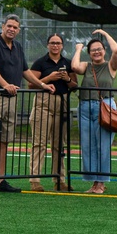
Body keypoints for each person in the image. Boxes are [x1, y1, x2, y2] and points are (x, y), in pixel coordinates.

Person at [0, 15, 55, 195]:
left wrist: (42, 85)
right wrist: (5, 85)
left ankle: (0, 180)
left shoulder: (18, 47)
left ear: (19, 30)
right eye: (9, 26)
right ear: (3, 26)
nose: (12, 29)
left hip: (11, 99)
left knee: (4, 139)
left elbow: (25, 71)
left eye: (15, 27)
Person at [71, 30, 117, 194]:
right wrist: (78, 48)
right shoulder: (87, 66)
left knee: (103, 146)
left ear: (104, 50)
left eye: (99, 49)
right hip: (85, 107)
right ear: (89, 54)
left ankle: (101, 183)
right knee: (88, 146)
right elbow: (74, 67)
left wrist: (105, 34)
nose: (97, 52)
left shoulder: (110, 66)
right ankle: (94, 183)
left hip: (104, 107)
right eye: (93, 50)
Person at [26, 33, 77, 192]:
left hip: (62, 102)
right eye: (52, 43)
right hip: (43, 102)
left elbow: (75, 86)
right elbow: (31, 84)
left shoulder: (67, 63)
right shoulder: (40, 62)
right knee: (39, 142)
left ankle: (59, 179)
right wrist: (49, 78)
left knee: (59, 145)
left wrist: (66, 79)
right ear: (48, 45)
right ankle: (35, 180)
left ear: (62, 45)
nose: (55, 46)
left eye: (58, 43)